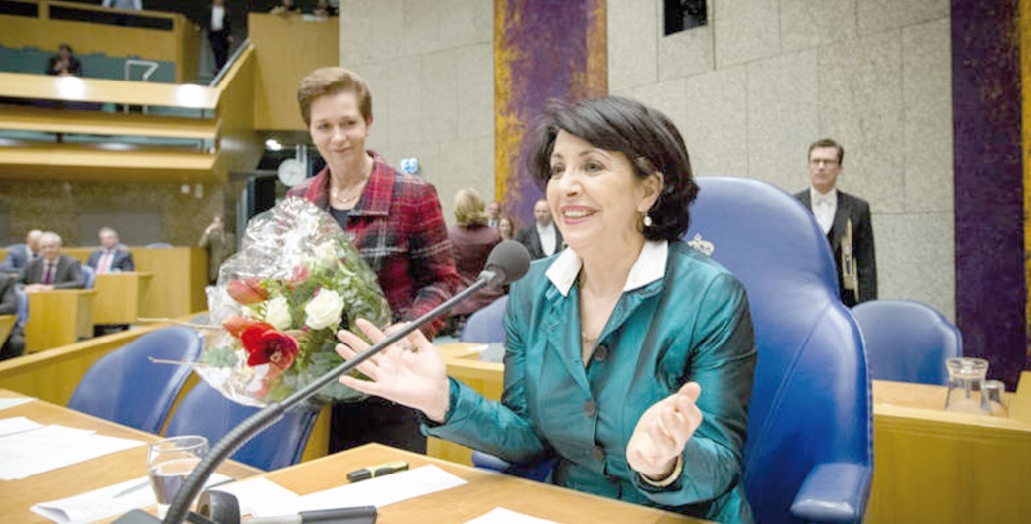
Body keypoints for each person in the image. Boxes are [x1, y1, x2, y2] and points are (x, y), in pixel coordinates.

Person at [335, 97, 757, 523]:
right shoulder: (532, 288)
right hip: (570, 510)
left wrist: (668, 464)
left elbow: (722, 463)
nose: (566, 186)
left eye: (592, 166)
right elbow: (527, 438)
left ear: (647, 189)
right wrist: (443, 401)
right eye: (558, 169)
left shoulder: (711, 295)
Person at [286, 66, 462, 455]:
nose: (337, 137)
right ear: (310, 130)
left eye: (348, 123)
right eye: (324, 126)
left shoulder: (412, 194)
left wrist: (401, 336)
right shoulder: (296, 201)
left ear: (368, 122)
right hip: (316, 392)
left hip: (391, 386)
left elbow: (444, 282)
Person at [794, 139, 877, 307]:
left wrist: (867, 310)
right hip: (802, 302)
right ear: (808, 166)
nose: (821, 167)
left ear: (840, 168)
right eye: (816, 161)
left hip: (844, 301)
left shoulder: (857, 208)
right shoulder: (792, 205)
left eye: (828, 162)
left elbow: (866, 267)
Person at [446, 188, 505, 330]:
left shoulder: (450, 235)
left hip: (462, 305)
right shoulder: (494, 235)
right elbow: (503, 270)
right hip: (493, 300)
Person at [198, 215, 235, 285]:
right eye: (215, 222)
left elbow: (233, 251)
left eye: (219, 222)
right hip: (216, 269)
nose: (217, 225)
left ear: (223, 223)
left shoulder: (231, 237)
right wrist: (208, 230)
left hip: (229, 270)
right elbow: (201, 245)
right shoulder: (211, 236)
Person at [204, 0, 233, 73]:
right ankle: (219, 68)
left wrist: (230, 34)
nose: (219, 0)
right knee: (217, 49)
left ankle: (222, 68)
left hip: (223, 33)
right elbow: (205, 20)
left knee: (224, 52)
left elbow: (228, 24)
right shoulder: (209, 9)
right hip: (213, 33)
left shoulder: (226, 11)